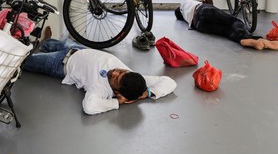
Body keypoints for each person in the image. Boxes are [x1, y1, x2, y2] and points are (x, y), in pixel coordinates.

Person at [23, 27, 177, 115]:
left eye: (116, 79)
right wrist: (146, 94)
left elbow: (89, 107)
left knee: (24, 60)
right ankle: (46, 41)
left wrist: (116, 102)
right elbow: (170, 82)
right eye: (121, 71)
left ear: (118, 92)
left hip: (60, 63)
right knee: (53, 43)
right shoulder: (133, 77)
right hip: (77, 48)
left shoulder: (101, 89)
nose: (115, 72)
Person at [174, 0, 278, 50]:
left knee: (226, 31)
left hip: (198, 25)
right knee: (233, 21)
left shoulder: (184, 17)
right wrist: (213, 9)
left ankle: (245, 40)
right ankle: (248, 38)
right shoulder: (184, 0)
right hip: (202, 10)